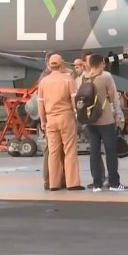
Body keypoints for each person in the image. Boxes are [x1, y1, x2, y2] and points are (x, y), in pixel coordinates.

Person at [38, 54, 85, 191]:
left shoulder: (43, 82)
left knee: (53, 152)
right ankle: (72, 183)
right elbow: (74, 102)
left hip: (50, 119)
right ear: (62, 64)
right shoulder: (68, 79)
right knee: (69, 150)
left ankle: (54, 183)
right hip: (66, 117)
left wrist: (43, 121)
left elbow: (41, 105)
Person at [84, 54, 128, 192]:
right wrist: (118, 115)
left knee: (94, 152)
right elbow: (114, 97)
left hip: (91, 121)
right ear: (102, 63)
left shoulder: (84, 78)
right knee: (110, 152)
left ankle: (97, 183)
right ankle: (114, 183)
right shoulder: (106, 76)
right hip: (106, 119)